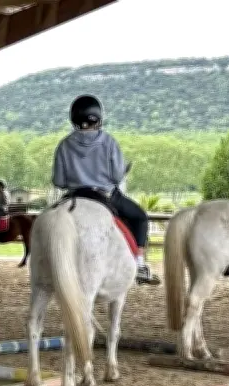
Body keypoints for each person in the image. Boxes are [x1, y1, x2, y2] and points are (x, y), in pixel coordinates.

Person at [52, 94, 159, 285]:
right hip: (105, 195)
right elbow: (118, 177)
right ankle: (140, 264)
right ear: (98, 118)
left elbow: (59, 181)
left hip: (75, 196)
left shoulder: (64, 144)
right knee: (140, 217)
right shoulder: (109, 142)